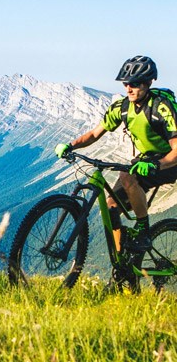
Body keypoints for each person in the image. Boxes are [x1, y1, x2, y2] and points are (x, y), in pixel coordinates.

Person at [55, 55, 177, 254]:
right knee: (112, 206)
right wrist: (70, 145)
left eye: (135, 84)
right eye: (126, 83)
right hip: (145, 160)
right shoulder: (122, 107)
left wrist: (157, 165)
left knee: (127, 176)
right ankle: (121, 264)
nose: (128, 88)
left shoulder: (161, 108)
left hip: (168, 163)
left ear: (148, 83)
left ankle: (143, 230)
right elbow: (95, 134)